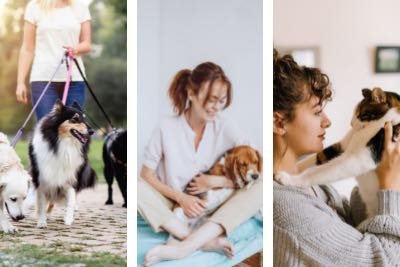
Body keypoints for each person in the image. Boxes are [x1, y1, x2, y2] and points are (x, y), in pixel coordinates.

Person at [273, 49, 400, 265]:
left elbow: (352, 226)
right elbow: (385, 260)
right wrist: (390, 189)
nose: (327, 121)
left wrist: (374, 171)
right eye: (316, 112)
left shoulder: (312, 181)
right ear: (278, 123)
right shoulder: (285, 206)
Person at [138, 62, 262, 266]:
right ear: (191, 93)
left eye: (221, 101)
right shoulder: (166, 128)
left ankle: (185, 247)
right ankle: (201, 241)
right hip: (172, 205)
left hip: (213, 206)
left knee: (262, 186)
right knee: (133, 183)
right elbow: (146, 176)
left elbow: (257, 167)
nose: (216, 107)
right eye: (211, 99)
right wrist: (181, 198)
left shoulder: (225, 126)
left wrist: (217, 181)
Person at [16, 0, 91, 120]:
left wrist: (75, 49)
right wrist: (20, 82)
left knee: (72, 131)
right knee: (47, 132)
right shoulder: (35, 7)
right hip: (42, 80)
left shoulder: (79, 7)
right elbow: (27, 48)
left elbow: (87, 44)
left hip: (74, 80)